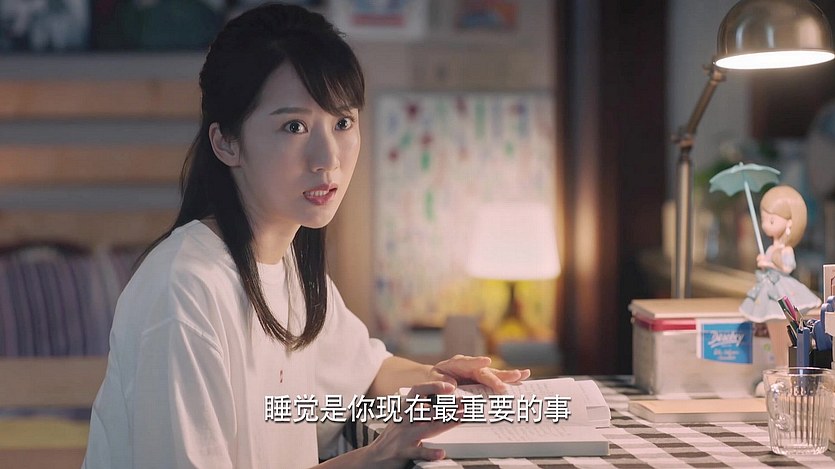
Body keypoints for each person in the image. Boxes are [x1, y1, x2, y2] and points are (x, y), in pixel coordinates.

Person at [82, 3, 530, 468]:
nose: (328, 157)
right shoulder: (184, 291)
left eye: (342, 123)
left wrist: (446, 382)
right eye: (293, 126)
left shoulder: (288, 265)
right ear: (226, 142)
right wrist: (371, 458)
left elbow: (365, 372)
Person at [740, 185, 820, 367]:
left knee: (786, 329)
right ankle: (779, 363)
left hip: (782, 289)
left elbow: (788, 267)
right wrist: (764, 262)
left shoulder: (786, 249)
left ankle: (786, 364)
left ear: (790, 222)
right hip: (768, 292)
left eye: (771, 220)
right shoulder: (771, 248)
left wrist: (769, 263)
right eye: (764, 220)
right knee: (773, 330)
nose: (765, 225)